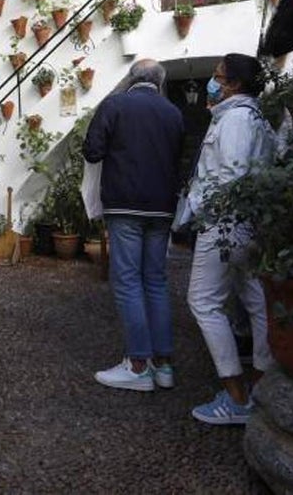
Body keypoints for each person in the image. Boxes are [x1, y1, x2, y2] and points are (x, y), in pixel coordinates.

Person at [83, 59, 184, 392]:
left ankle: (138, 365)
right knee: (155, 281)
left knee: (127, 281)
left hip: (125, 204)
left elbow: (93, 151)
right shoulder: (174, 112)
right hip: (162, 207)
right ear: (159, 82)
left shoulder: (115, 103)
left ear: (131, 78)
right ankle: (164, 365)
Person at [186, 53, 276, 425]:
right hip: (248, 222)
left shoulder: (237, 119)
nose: (212, 80)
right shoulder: (251, 117)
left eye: (218, 76)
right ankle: (262, 384)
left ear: (234, 84)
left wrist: (205, 210)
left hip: (226, 223)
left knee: (204, 301)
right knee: (256, 299)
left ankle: (237, 396)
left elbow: (232, 175)